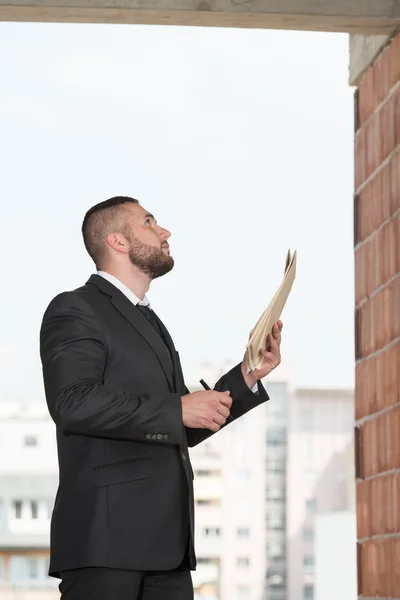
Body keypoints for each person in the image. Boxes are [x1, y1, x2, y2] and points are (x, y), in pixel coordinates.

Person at [40, 196, 283, 600]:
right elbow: (72, 403)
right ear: (117, 241)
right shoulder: (75, 308)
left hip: (166, 547)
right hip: (106, 544)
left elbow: (175, 425)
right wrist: (177, 407)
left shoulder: (150, 320)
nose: (165, 231)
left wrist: (246, 377)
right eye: (150, 222)